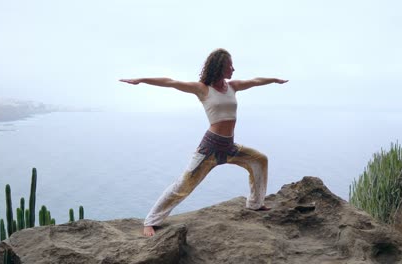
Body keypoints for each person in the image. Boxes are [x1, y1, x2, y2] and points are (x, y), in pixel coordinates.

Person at [120, 48, 288, 237]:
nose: (233, 69)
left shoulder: (233, 86)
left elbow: (255, 81)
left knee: (259, 160)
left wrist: (274, 80)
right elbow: (171, 82)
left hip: (229, 146)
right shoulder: (203, 89)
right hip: (210, 148)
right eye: (229, 66)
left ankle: (256, 204)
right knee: (183, 186)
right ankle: (150, 221)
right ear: (219, 67)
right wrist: (141, 80)